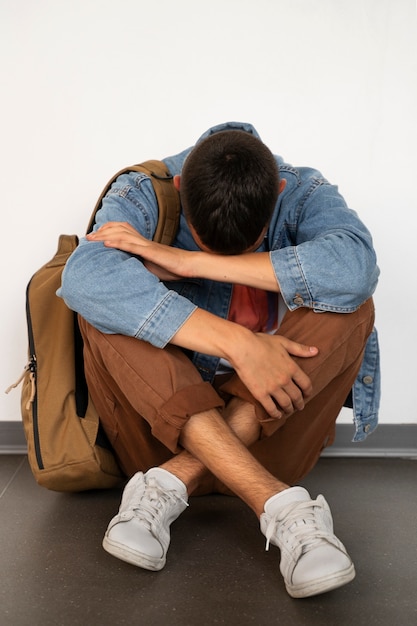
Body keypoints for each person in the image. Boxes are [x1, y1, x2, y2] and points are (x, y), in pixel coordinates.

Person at [58, 121, 380, 599]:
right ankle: (283, 510)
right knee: (103, 308)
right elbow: (84, 280)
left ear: (279, 194)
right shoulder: (147, 190)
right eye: (202, 246)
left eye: (245, 253)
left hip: (269, 433)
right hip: (156, 440)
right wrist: (238, 343)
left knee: (353, 304)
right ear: (184, 191)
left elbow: (355, 269)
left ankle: (172, 485)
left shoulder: (302, 190)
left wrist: (189, 262)